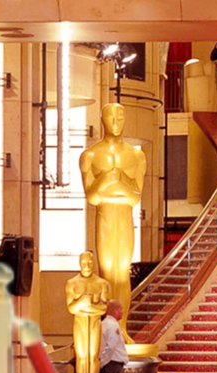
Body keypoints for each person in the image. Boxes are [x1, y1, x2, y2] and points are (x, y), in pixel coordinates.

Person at [80, 103, 147, 343]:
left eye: (120, 117)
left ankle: (121, 327)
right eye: (111, 117)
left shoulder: (136, 156)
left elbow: (135, 196)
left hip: (125, 219)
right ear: (102, 120)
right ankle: (106, 327)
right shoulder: (90, 155)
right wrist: (109, 179)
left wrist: (114, 185)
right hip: (106, 219)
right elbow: (92, 196)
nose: (116, 122)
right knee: (107, 273)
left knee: (122, 274)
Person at [66, 251, 110, 373]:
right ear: (79, 263)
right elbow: (71, 308)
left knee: (93, 356)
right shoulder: (72, 283)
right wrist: (82, 302)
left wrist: (87, 306)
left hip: (95, 323)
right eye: (84, 263)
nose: (87, 266)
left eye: (90, 263)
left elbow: (103, 308)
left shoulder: (102, 283)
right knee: (81, 356)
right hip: (80, 323)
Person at [99, 299, 129, 373]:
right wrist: (103, 363)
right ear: (115, 311)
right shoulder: (112, 325)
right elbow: (111, 347)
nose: (122, 312)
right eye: (121, 309)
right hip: (112, 365)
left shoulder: (104, 323)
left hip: (109, 364)